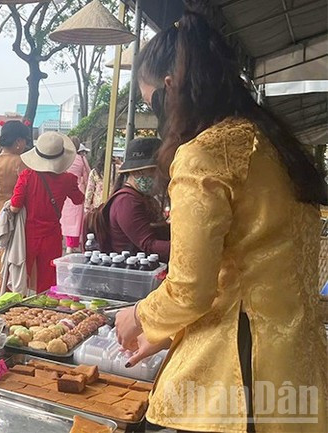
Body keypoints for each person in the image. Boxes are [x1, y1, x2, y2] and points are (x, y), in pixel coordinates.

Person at [115, 11, 327, 433]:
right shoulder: (272, 144)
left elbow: (191, 288)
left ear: (171, 89)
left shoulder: (203, 156)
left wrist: (138, 316)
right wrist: (164, 329)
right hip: (296, 364)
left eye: (150, 101)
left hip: (239, 374)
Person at [10, 132, 84, 293]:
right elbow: (79, 199)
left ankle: (15, 311)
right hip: (52, 235)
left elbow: (15, 206)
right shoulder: (68, 179)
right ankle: (44, 310)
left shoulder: (26, 176)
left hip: (27, 235)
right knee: (48, 280)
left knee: (20, 275)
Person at [91, 137, 170, 259]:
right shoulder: (127, 202)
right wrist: (187, 249)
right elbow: (148, 245)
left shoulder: (141, 197)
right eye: (155, 171)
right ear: (137, 172)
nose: (161, 177)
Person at [0, 120, 30, 290]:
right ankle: (11, 286)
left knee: (1, 248)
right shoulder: (20, 162)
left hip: (0, 208)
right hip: (16, 209)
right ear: (19, 142)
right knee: (15, 252)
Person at [60, 139, 90, 254]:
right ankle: (75, 244)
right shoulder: (81, 159)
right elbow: (87, 175)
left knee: (66, 219)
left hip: (64, 191)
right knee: (77, 220)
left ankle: (69, 245)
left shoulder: (64, 159)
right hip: (78, 190)